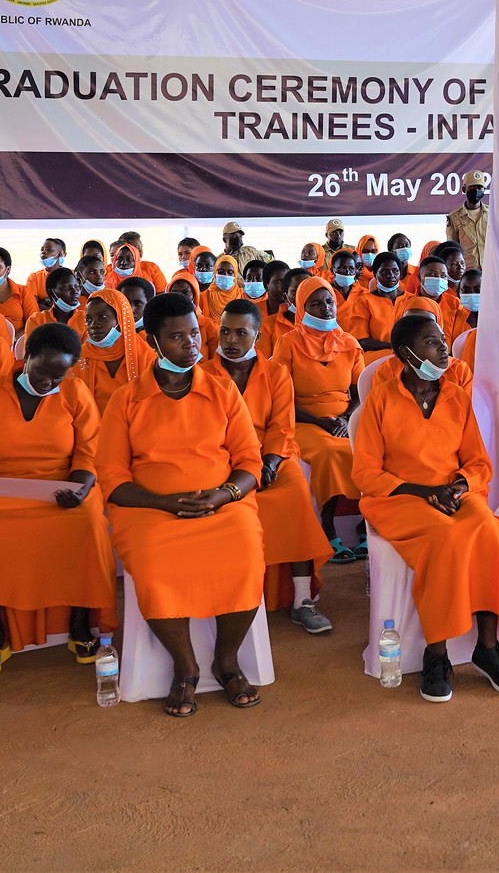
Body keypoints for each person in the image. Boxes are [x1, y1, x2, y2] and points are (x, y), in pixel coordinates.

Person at [100, 293, 266, 717]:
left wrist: (224, 494)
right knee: (155, 568)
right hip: (150, 511)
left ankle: (226, 660)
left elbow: (249, 462)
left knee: (246, 557)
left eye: (195, 333)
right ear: (153, 342)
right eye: (177, 338)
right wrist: (164, 503)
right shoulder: (127, 400)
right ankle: (185, 666)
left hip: (223, 505)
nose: (192, 345)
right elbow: (114, 479)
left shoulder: (222, 390)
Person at [351, 311, 499, 702]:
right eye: (431, 343)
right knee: (446, 539)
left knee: (489, 532)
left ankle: (487, 647)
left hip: (454, 496)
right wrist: (420, 491)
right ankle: (437, 654)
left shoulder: (456, 397)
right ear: (405, 353)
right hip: (400, 500)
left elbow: (479, 463)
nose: (443, 349)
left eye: (442, 341)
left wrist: (460, 487)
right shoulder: (380, 401)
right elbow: (365, 474)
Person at [0, 322, 115, 676]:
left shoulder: (74, 392)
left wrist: (78, 490)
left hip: (63, 486)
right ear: (25, 358)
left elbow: (89, 452)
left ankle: (79, 621)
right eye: (42, 372)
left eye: (58, 376)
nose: (48, 382)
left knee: (87, 522)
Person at [207, 300, 335, 634]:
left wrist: (270, 462)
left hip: (271, 458)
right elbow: (203, 431)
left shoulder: (276, 373)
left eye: (240, 332)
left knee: (294, 496)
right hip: (222, 461)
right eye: (224, 331)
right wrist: (238, 466)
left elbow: (282, 426)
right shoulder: (203, 374)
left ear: (257, 334)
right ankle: (230, 599)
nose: (230, 340)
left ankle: (302, 600)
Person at [276, 278, 366, 562]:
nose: (325, 308)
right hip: (303, 419)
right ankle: (329, 529)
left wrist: (344, 417)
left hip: (343, 418)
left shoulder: (349, 343)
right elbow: (281, 395)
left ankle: (366, 525)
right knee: (330, 452)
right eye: (315, 303)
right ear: (301, 307)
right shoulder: (288, 342)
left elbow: (358, 391)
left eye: (329, 302)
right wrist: (323, 422)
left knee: (371, 449)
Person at [71, 287, 153, 411]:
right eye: (88, 320)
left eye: (102, 317)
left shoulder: (146, 356)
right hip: (91, 427)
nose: (94, 325)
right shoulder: (79, 358)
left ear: (121, 319)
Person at [445, 171, 492, 271]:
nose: (476, 191)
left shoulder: (492, 214)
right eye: (472, 187)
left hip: (491, 271)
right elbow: (452, 248)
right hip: (467, 273)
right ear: (464, 189)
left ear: (484, 189)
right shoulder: (454, 217)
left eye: (479, 188)